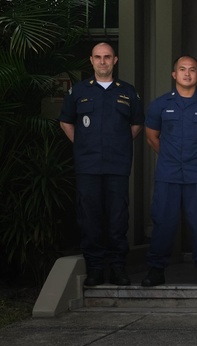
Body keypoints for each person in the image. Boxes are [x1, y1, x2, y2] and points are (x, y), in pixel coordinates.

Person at [59, 42, 144, 287]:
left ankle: (118, 268)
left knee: (118, 218)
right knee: (90, 218)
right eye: (98, 57)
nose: (103, 61)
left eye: (107, 57)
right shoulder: (78, 91)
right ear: (91, 60)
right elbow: (66, 122)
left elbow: (137, 124)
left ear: (115, 60)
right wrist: (83, 143)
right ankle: (95, 269)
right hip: (88, 166)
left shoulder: (127, 92)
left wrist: (118, 143)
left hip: (117, 165)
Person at [140, 56, 197, 287]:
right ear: (174, 74)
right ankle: (156, 270)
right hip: (168, 174)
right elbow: (151, 137)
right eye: (182, 69)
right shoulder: (159, 105)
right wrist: (170, 156)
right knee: (163, 222)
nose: (187, 74)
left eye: (192, 70)